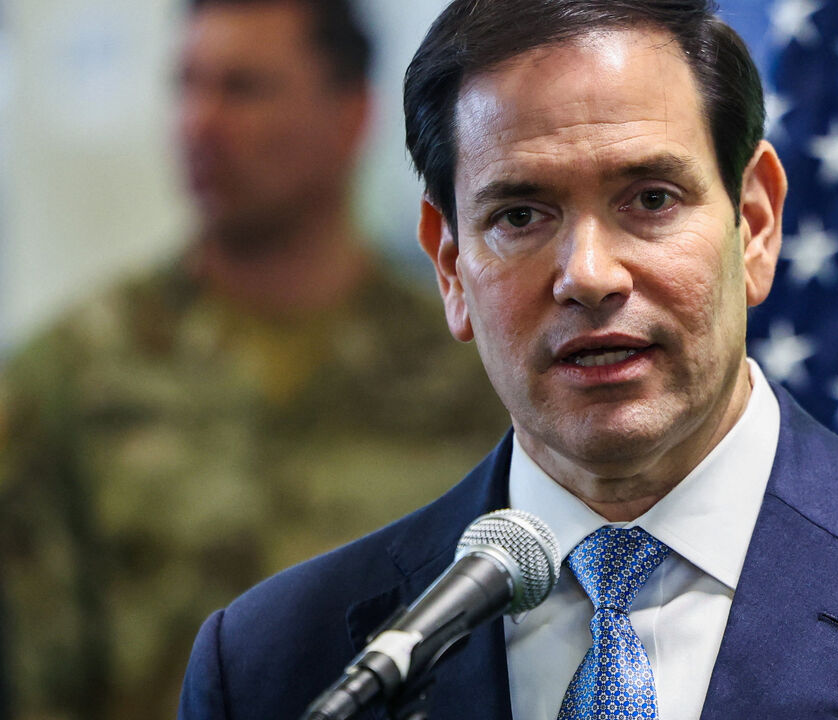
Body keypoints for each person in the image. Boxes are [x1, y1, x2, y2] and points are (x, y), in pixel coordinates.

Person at [177, 0, 838, 717]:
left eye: (650, 200)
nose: (588, 274)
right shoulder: (279, 663)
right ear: (449, 263)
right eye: (520, 215)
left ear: (754, 222)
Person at [0, 0, 507, 718]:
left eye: (242, 89)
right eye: (187, 85)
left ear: (351, 116)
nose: (198, 123)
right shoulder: (71, 379)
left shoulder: (470, 370)